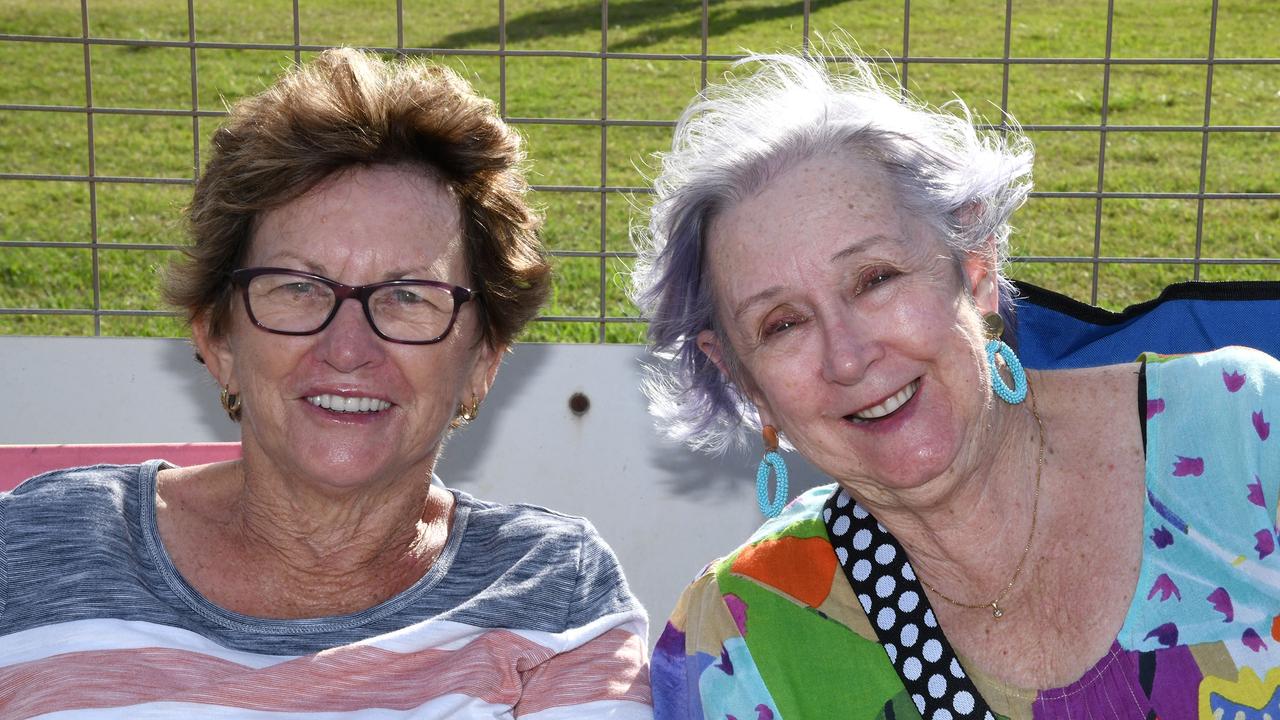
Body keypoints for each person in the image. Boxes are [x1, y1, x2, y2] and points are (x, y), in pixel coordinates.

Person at [0, 48, 652, 718]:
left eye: (407, 296)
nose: (348, 348)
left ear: (483, 361)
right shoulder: (35, 547)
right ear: (218, 337)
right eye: (298, 288)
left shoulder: (552, 596)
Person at [632, 50, 1279, 719]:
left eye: (875, 279)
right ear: (742, 378)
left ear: (975, 266)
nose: (848, 358)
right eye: (784, 324)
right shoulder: (745, 636)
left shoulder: (1247, 437)